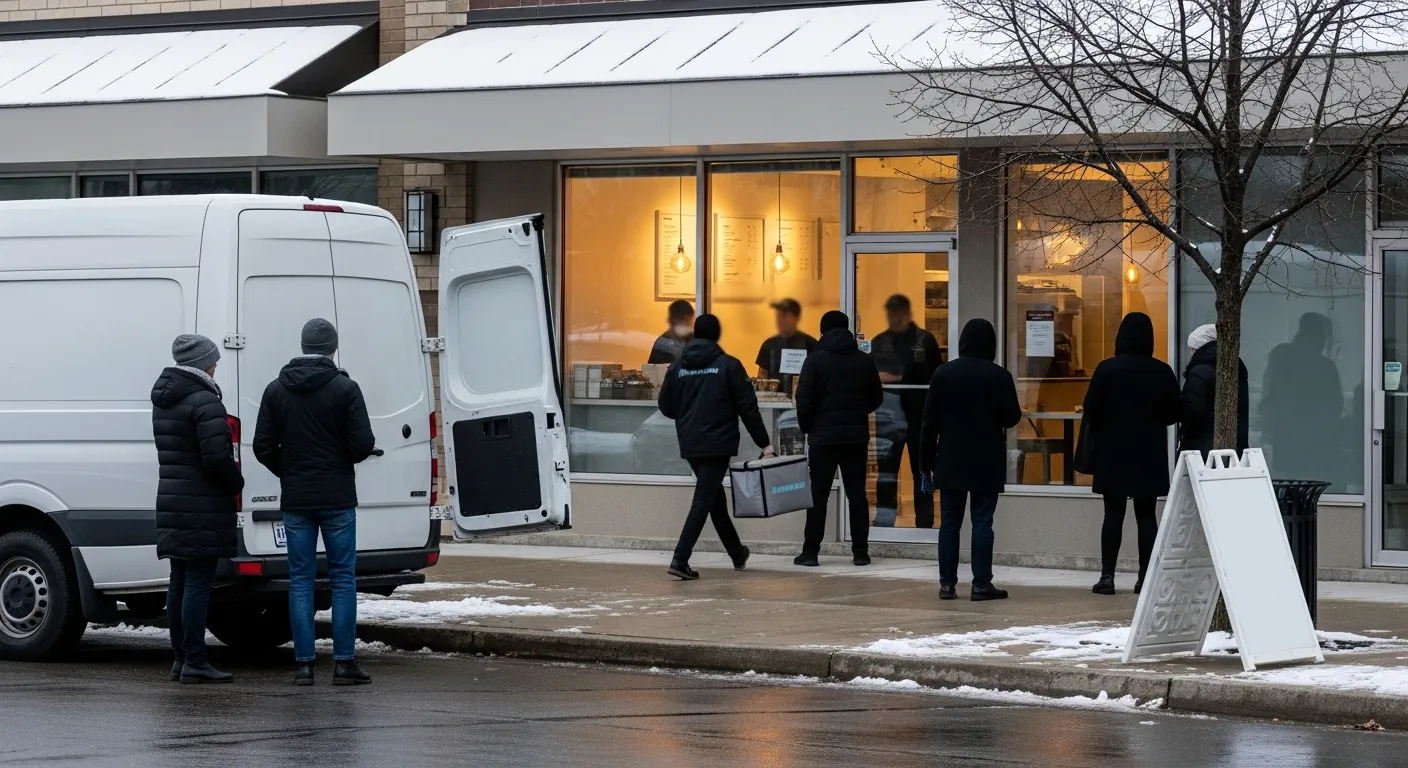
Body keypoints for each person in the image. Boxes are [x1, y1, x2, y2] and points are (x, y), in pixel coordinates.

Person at [253, 318, 376, 686]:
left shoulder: (276, 390)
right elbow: (363, 443)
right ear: (333, 349)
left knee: (301, 580)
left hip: (297, 498)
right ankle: (344, 663)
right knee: (343, 579)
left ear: (303, 346)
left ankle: (304, 666)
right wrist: (339, 461)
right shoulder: (346, 388)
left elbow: (262, 446)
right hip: (337, 496)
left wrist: (289, 470)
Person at [151, 334, 244, 684]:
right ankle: (195, 660)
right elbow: (217, 459)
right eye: (214, 360)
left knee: (179, 581)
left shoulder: (166, 399)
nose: (217, 365)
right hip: (201, 506)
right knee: (198, 585)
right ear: (204, 364)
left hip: (174, 501)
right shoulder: (205, 401)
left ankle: (180, 658)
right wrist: (236, 483)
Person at [657, 313, 772, 580]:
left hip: (690, 442)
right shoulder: (728, 365)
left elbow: (666, 406)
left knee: (713, 498)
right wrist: (765, 443)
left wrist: (688, 415)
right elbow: (748, 408)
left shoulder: (678, 367)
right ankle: (680, 559)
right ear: (717, 335)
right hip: (718, 443)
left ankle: (737, 553)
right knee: (703, 499)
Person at [919, 318, 1021, 601]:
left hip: (950, 458)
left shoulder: (943, 373)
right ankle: (981, 584)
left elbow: (929, 422)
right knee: (982, 522)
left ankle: (947, 584)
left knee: (949, 522)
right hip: (986, 459)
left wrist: (925, 463)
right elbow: (1011, 417)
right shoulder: (999, 376)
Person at [1080, 313, 1181, 596]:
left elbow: (1091, 407)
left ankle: (1107, 577)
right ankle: (1144, 577)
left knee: (1112, 515)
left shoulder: (1106, 369)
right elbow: (1174, 413)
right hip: (1148, 452)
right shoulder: (1162, 371)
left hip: (1112, 452)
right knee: (1146, 516)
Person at [794, 310, 884, 567]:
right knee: (857, 495)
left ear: (822, 331)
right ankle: (861, 552)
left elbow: (804, 399)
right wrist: (857, 413)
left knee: (818, 495)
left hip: (823, 438)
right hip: (855, 438)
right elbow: (876, 397)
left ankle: (811, 552)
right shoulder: (864, 361)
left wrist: (808, 428)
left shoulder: (814, 361)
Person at [869, 294, 943, 528]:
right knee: (886, 473)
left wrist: (896, 378)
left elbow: (937, 377)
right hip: (888, 416)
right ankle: (884, 521)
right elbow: (869, 377)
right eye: (891, 312)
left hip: (919, 417)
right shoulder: (879, 342)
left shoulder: (925, 340)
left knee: (921, 470)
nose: (894, 316)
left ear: (907, 313)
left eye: (898, 312)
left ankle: (925, 523)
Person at [1260, 312, 1344, 481]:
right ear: (1318, 336)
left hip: (1287, 444)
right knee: (1313, 488)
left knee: (1288, 488)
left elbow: (1269, 402)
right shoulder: (1325, 367)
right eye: (1323, 336)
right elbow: (1336, 407)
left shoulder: (1282, 362)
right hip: (1316, 446)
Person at [1178, 323, 1249, 457]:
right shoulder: (1235, 368)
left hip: (1202, 448)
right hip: (1234, 446)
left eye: (1192, 348)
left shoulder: (1200, 372)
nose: (1191, 353)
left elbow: (1192, 413)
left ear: (1199, 348)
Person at [755, 298, 818, 394]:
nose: (780, 320)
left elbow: (819, 375)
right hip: (774, 401)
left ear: (796, 318)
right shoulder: (769, 345)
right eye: (778, 316)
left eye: (784, 316)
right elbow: (762, 375)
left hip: (804, 399)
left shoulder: (810, 344)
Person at [647, 299, 696, 365]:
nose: (687, 324)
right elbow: (654, 369)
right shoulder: (662, 343)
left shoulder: (695, 339)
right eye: (683, 320)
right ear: (672, 320)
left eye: (689, 320)